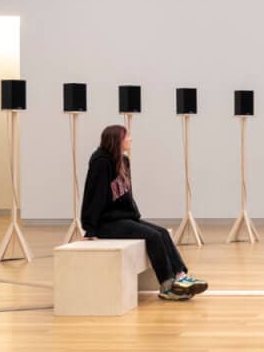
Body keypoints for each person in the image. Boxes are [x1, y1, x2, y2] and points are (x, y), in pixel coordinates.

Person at [80, 124, 208, 301]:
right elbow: (95, 195)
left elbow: (126, 194)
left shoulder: (123, 161)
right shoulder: (101, 162)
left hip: (123, 217)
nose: (130, 139)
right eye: (127, 137)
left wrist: (134, 215)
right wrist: (90, 229)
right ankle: (167, 286)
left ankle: (180, 276)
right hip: (106, 223)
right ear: (117, 140)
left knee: (161, 232)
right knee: (153, 237)